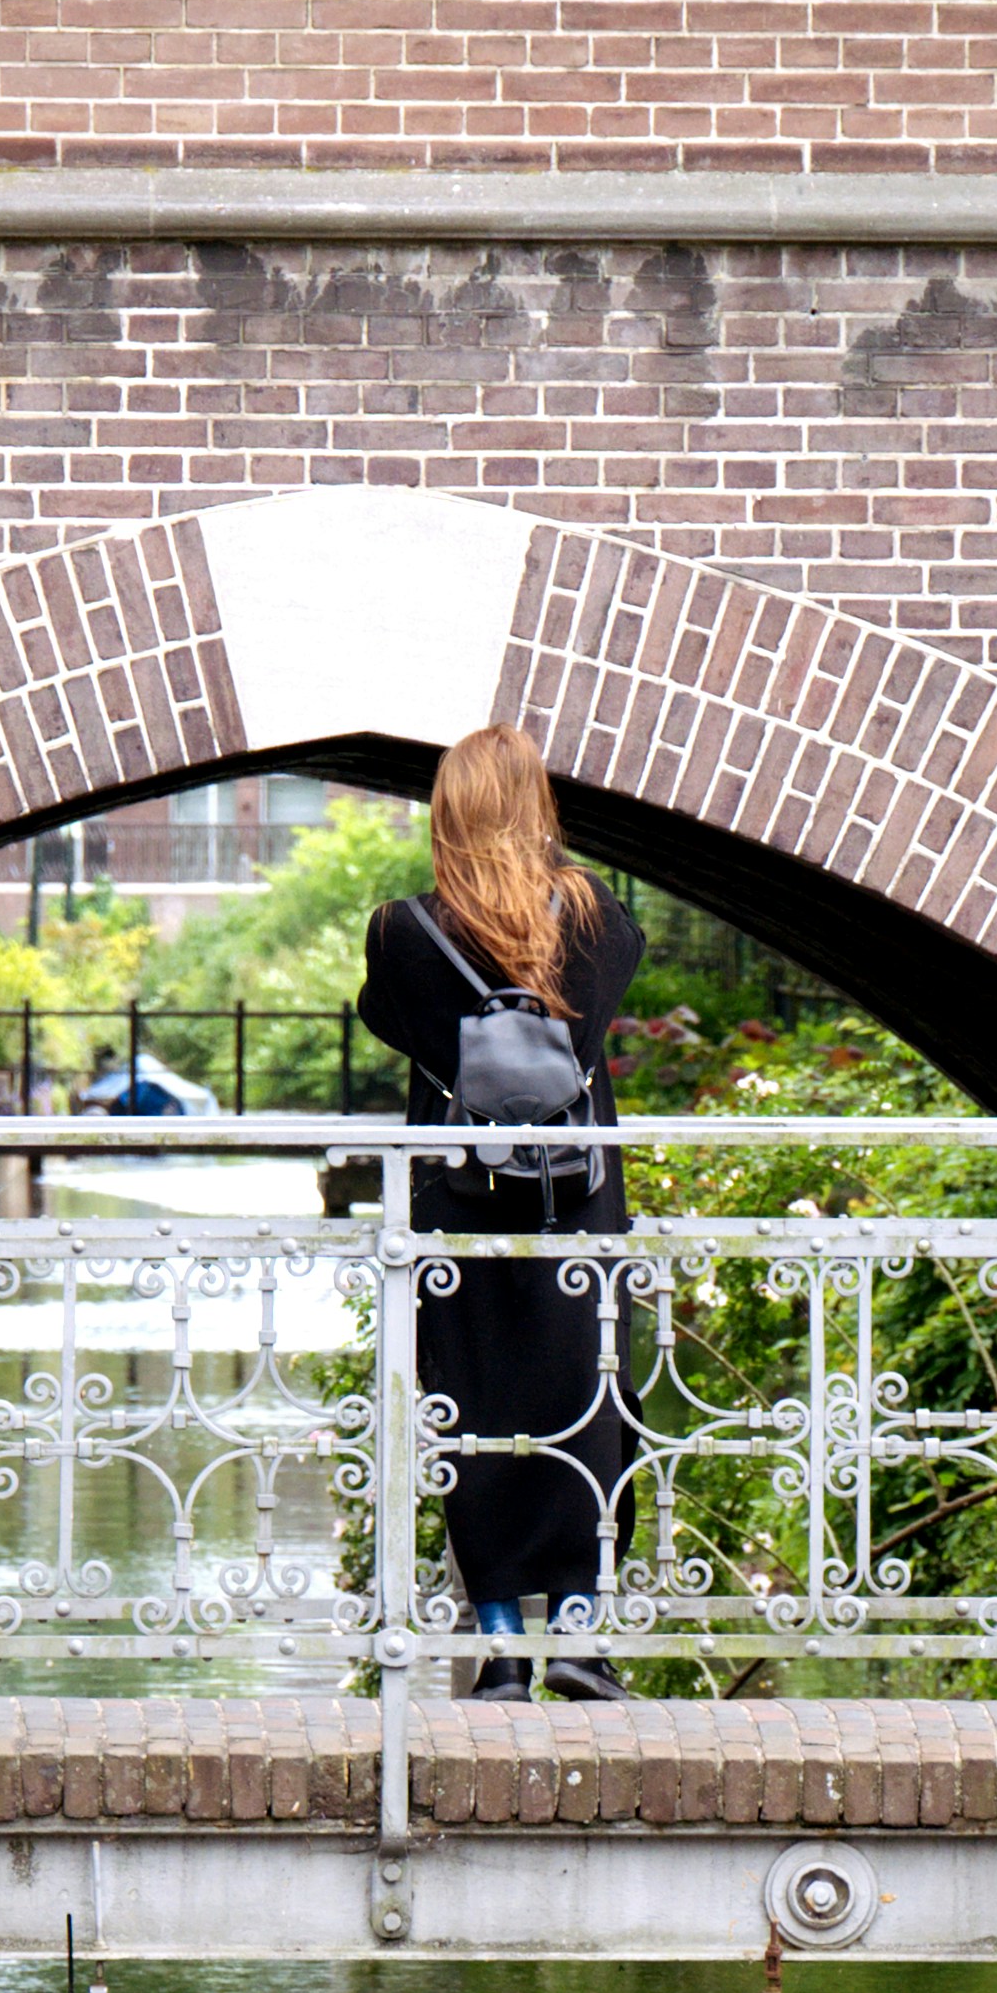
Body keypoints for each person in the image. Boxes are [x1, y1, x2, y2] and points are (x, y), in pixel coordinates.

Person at [351, 722, 641, 1700]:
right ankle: (580, 1637)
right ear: (535, 809)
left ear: (448, 814)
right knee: (587, 1404)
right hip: (579, 1199)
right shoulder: (593, 917)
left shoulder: (404, 932)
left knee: (469, 1407)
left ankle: (501, 1643)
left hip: (458, 1204)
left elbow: (385, 1017)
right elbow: (603, 1011)